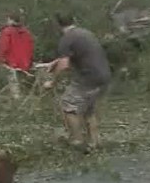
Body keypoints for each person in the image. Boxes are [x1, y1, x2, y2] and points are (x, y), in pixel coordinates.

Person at [41, 13, 112, 152]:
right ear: (73, 21)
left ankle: (77, 140)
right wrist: (54, 62)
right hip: (103, 75)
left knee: (69, 106)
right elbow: (80, 54)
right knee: (89, 110)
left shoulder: (66, 39)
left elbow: (64, 65)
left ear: (57, 25)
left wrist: (52, 82)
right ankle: (95, 142)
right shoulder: (85, 33)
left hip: (88, 78)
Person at [0, 12, 35, 99]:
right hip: (25, 64)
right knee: (23, 87)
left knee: (14, 88)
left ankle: (16, 103)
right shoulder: (26, 32)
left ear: (11, 20)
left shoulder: (7, 31)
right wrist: (30, 61)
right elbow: (31, 47)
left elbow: (3, 47)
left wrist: (0, 60)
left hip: (11, 63)